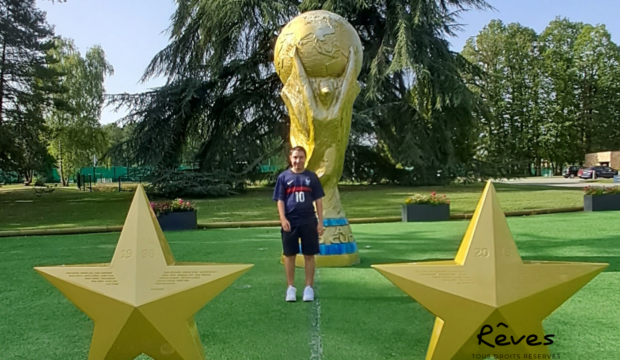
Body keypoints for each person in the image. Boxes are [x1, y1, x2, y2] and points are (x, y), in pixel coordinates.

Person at [273, 146, 325, 302]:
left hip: (309, 220)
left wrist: (320, 221)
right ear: (290, 158)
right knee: (290, 255)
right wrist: (283, 219)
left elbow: (318, 201)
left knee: (309, 255)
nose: (298, 160)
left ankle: (308, 287)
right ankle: (291, 288)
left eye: (301, 157)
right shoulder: (283, 177)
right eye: (295, 157)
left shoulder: (312, 177)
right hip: (290, 221)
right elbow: (280, 200)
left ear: (305, 158)